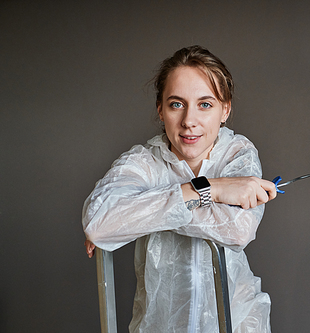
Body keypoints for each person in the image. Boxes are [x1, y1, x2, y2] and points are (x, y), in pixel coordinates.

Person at [82, 45, 277, 333]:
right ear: (160, 109)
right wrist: (212, 189)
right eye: (176, 104)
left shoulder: (238, 153)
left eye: (205, 104)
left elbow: (237, 229)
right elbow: (99, 222)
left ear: (226, 110)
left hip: (238, 322)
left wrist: (138, 217)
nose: (189, 121)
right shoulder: (143, 162)